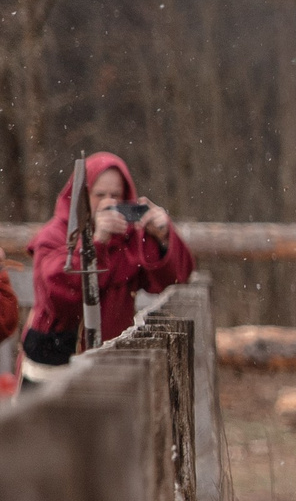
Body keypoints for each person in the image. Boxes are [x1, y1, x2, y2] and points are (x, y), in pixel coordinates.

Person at [19, 154, 195, 382]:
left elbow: (175, 279)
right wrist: (96, 243)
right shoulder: (55, 235)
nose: (108, 203)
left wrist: (163, 237)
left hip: (111, 363)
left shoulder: (129, 240)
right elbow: (58, 295)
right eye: (99, 195)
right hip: (53, 362)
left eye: (115, 195)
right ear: (82, 196)